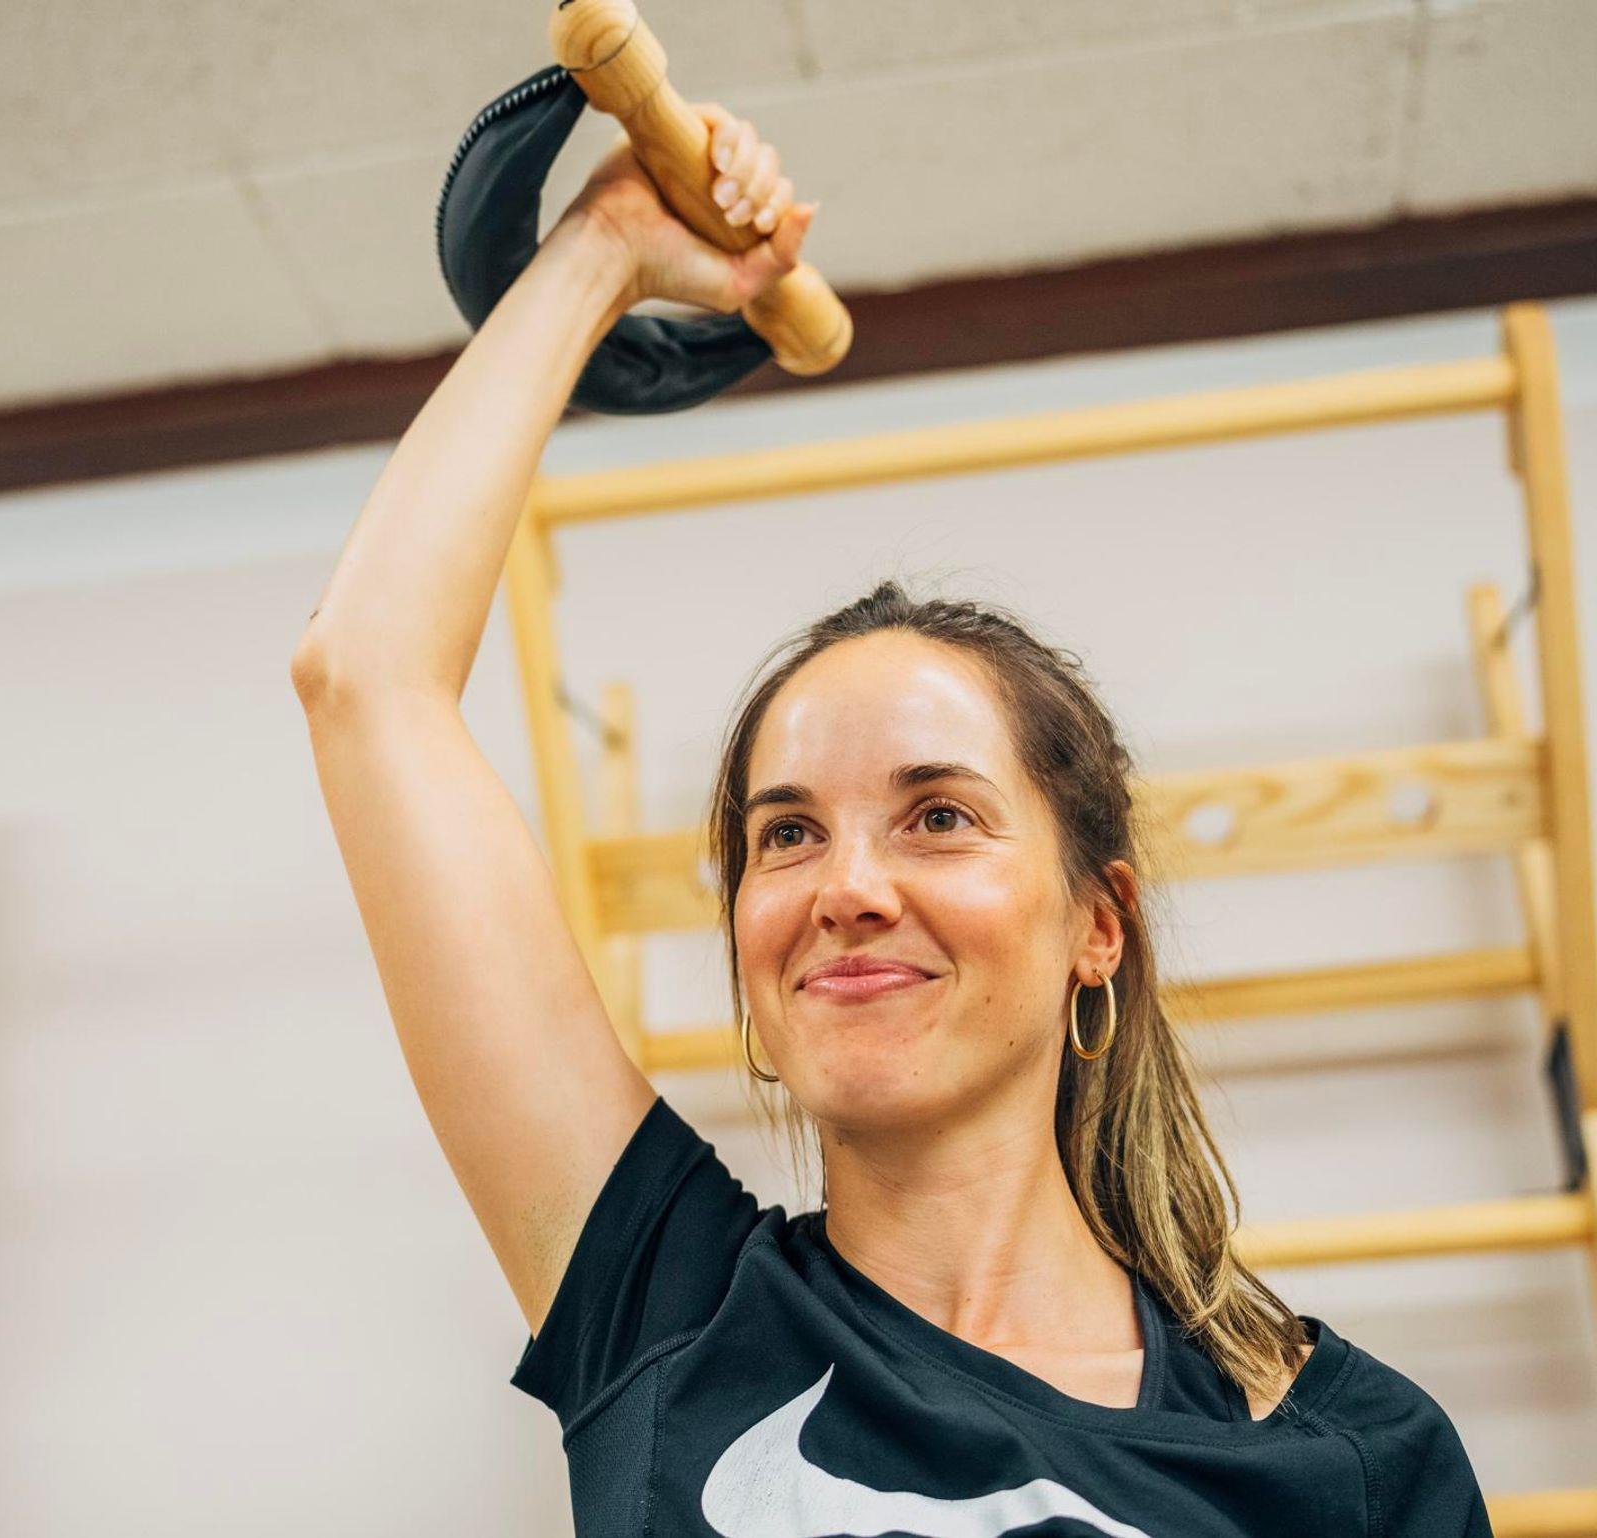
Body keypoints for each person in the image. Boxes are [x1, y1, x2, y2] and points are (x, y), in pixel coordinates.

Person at [290, 103, 1493, 1537]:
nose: (847, 886)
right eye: (787, 834)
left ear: (1097, 923)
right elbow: (366, 680)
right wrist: (608, 243)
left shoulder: (1350, 1457)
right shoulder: (665, 1304)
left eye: (937, 816)